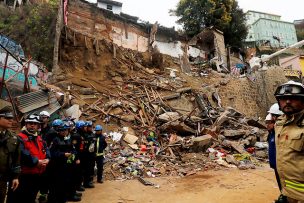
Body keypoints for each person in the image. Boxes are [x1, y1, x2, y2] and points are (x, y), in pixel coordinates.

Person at [274, 80, 304, 203]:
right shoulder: (280, 123)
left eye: (293, 98)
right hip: (288, 192)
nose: (287, 102)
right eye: (283, 98)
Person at [10, 114, 50, 203]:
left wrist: (47, 158)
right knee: (21, 198)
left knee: (32, 196)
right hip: (24, 175)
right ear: (26, 124)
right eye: (30, 123)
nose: (32, 125)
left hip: (37, 174)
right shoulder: (20, 138)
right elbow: (23, 154)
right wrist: (37, 162)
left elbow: (46, 149)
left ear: (38, 126)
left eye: (35, 124)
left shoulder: (39, 138)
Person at [48, 122, 81, 202]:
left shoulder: (68, 139)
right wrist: (63, 154)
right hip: (58, 167)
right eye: (62, 130)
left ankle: (66, 197)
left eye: (65, 130)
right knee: (57, 185)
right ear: (59, 131)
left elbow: (73, 149)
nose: (64, 132)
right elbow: (52, 153)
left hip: (68, 166)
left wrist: (75, 155)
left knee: (67, 183)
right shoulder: (55, 140)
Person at [265, 103, 287, 203]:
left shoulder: (283, 132)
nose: (267, 124)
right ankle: (283, 195)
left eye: (269, 122)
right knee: (280, 183)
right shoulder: (272, 134)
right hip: (275, 165)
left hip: (283, 166)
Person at [0, 100, 20, 203]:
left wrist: (15, 177)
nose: (10, 121)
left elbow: (16, 159)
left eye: (11, 118)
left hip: (3, 180)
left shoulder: (14, 138)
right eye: (7, 118)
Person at [39, 111, 51, 203]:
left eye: (45, 117)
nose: (43, 119)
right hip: (36, 155)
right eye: (41, 117)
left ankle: (43, 194)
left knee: (46, 176)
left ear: (48, 118)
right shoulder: (36, 128)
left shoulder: (51, 131)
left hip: (47, 156)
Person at [82, 121, 95, 188]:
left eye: (92, 126)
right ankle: (86, 182)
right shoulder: (84, 135)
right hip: (86, 155)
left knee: (91, 168)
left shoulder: (92, 134)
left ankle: (90, 181)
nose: (91, 128)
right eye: (90, 127)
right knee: (86, 169)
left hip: (92, 154)